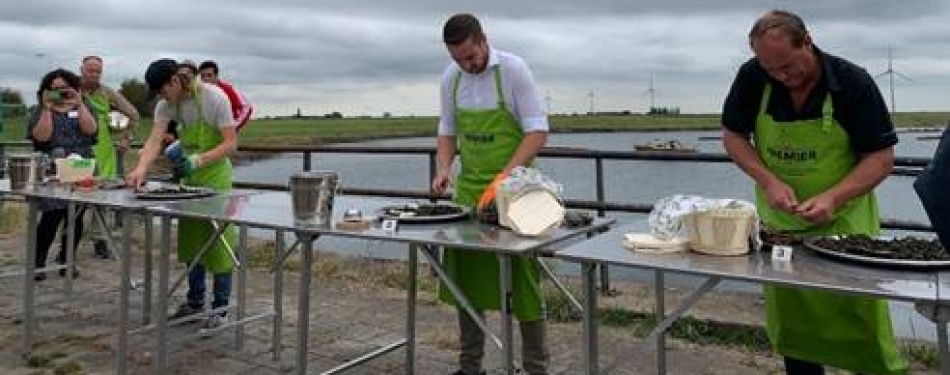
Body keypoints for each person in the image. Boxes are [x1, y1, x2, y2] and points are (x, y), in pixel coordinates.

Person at [721, 10, 906, 375]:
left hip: (845, 222)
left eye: (788, 66)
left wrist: (833, 197)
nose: (781, 76)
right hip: (781, 226)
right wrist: (769, 181)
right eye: (771, 69)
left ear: (808, 41)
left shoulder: (853, 83)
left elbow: (881, 158)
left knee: (858, 316)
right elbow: (733, 137)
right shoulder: (752, 76)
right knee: (796, 322)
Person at [431, 14, 549, 375]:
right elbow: (447, 132)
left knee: (524, 288)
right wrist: (444, 169)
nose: (466, 65)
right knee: (464, 282)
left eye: (471, 56)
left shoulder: (514, 70)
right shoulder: (451, 79)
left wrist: (505, 177)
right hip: (469, 195)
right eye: (458, 59)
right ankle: (470, 368)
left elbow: (537, 131)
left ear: (483, 41)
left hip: (516, 194)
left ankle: (535, 369)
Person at [126, 58, 238, 329]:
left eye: (163, 90)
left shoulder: (214, 98)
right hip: (189, 180)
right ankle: (195, 301)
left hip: (215, 177)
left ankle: (221, 308)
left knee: (218, 243)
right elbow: (154, 139)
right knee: (191, 245)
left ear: (175, 81)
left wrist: (199, 160)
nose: (162, 98)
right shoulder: (166, 105)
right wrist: (141, 168)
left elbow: (231, 143)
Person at [28, 68, 98, 280]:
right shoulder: (39, 110)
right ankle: (38, 262)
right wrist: (48, 109)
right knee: (52, 215)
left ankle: (67, 260)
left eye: (64, 89)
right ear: (46, 91)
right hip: (53, 167)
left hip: (81, 166)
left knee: (76, 216)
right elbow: (41, 137)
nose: (60, 93)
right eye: (54, 89)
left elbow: (91, 130)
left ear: (74, 88)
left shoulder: (85, 106)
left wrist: (79, 103)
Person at [80, 55, 141, 259]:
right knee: (71, 199)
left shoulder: (108, 93)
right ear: (82, 70)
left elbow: (133, 114)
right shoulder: (70, 90)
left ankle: (100, 242)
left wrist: (126, 139)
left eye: (98, 71)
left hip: (104, 151)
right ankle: (66, 243)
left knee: (102, 199)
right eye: (91, 71)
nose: (95, 75)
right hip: (76, 151)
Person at [198, 60, 253, 131]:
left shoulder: (228, 89)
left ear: (216, 76)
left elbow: (247, 107)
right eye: (203, 76)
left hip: (226, 133)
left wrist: (234, 126)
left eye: (209, 75)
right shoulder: (199, 91)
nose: (206, 79)